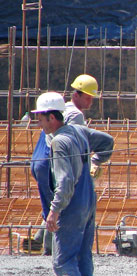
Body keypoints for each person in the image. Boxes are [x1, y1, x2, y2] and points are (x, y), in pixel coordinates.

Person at [31, 92, 114, 276]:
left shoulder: (59, 142)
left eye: (41, 117)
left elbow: (65, 181)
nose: (38, 122)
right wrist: (97, 161)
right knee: (82, 256)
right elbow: (107, 141)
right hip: (88, 202)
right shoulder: (78, 131)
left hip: (72, 206)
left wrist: (54, 210)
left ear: (52, 117)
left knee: (62, 262)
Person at [23, 74, 101, 256]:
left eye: (92, 98)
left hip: (40, 159)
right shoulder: (75, 115)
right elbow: (71, 142)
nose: (90, 102)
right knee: (62, 202)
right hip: (51, 160)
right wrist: (90, 163)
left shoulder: (61, 108)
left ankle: (39, 239)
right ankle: (52, 249)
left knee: (52, 203)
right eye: (87, 97)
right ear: (76, 95)